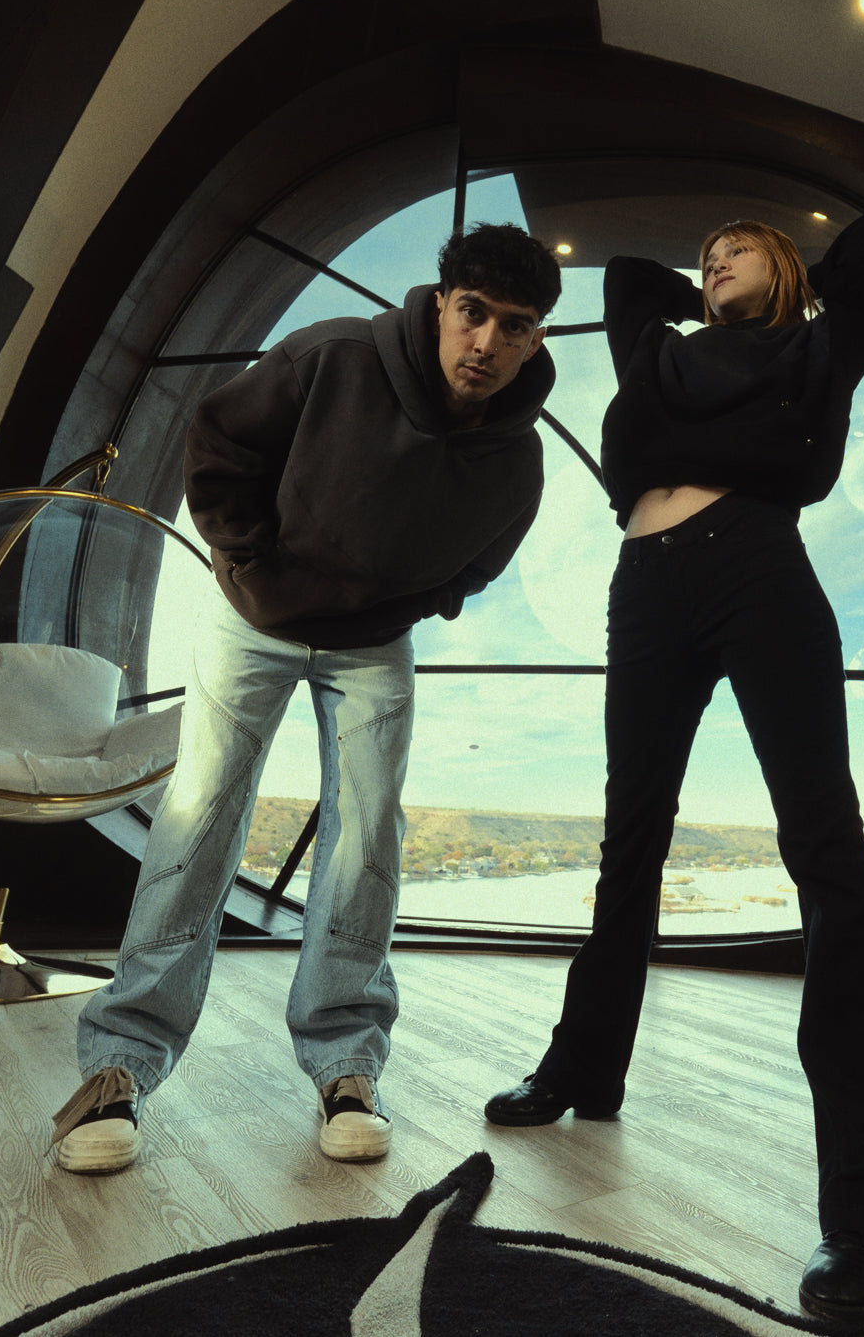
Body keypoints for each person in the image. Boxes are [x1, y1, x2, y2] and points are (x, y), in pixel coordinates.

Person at [484, 201, 864, 1327]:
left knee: (825, 852)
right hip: (645, 582)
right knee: (627, 841)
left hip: (755, 565)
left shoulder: (818, 345)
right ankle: (584, 1064)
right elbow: (630, 277)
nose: (714, 258)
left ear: (785, 268)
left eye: (738, 248)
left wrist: (789, 286)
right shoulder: (662, 349)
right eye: (710, 252)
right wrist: (712, 290)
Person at [51, 221, 561, 1174]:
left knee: (368, 837)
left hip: (373, 645)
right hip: (253, 620)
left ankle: (346, 1066)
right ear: (441, 307)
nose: (487, 342)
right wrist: (252, 564)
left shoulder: (516, 458)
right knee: (199, 821)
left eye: (515, 325)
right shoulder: (332, 355)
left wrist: (405, 603)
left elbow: (479, 564)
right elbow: (218, 439)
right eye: (474, 313)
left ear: (536, 340)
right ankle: (120, 1063)